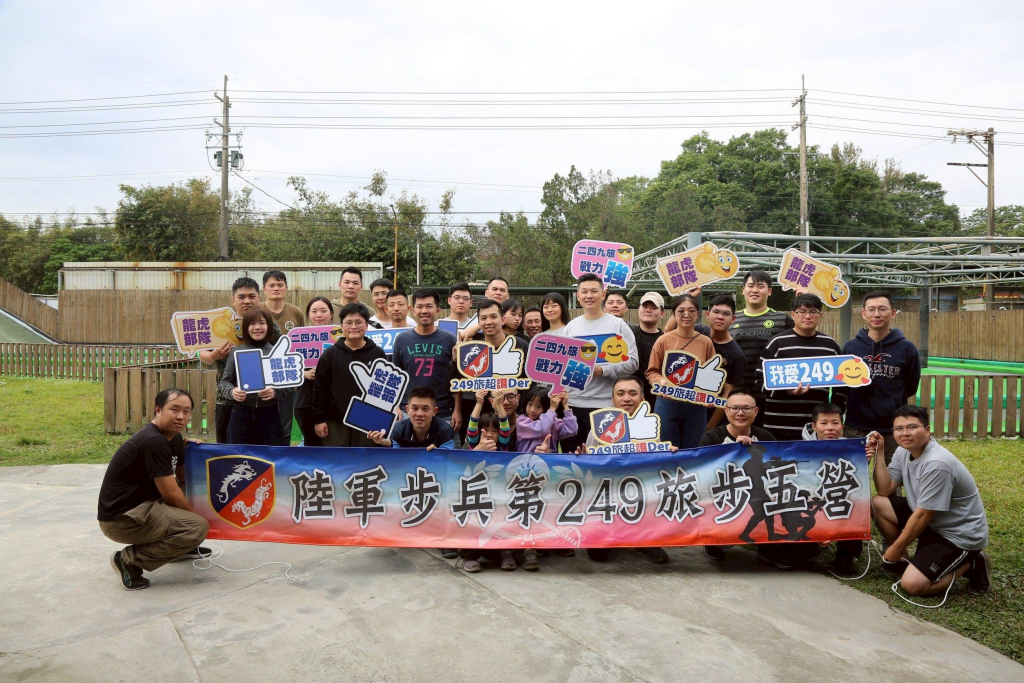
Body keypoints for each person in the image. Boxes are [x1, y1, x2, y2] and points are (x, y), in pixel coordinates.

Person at [871, 405, 991, 596]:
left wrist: (896, 547)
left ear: (927, 430)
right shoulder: (903, 451)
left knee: (913, 585)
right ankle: (903, 560)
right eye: (899, 428)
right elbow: (885, 490)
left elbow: (923, 515)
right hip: (931, 522)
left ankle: (973, 563)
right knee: (877, 503)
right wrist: (879, 452)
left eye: (912, 427)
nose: (905, 433)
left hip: (956, 534)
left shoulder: (937, 463)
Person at [98, 388, 210, 590]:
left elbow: (183, 477)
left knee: (194, 491)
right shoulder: (153, 441)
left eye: (186, 411)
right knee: (196, 527)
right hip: (122, 520)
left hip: (146, 506)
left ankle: (181, 546)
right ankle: (128, 560)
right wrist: (194, 524)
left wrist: (192, 452)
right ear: (158, 410)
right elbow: (170, 493)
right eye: (174, 409)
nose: (180, 416)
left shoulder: (174, 437)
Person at [581, 376, 671, 565]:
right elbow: (588, 465)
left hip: (641, 492)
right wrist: (582, 457)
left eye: (633, 393)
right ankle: (608, 532)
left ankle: (644, 540)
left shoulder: (651, 426)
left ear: (642, 398)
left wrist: (670, 454)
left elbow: (657, 465)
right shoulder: (600, 427)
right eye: (620, 394)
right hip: (607, 494)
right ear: (613, 399)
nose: (627, 398)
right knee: (597, 556)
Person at [560, 274, 638, 451]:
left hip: (606, 405)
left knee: (604, 458)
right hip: (574, 404)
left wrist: (602, 370)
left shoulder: (618, 325)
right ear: (578, 296)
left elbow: (633, 362)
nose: (589, 295)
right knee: (574, 457)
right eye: (584, 291)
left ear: (603, 294)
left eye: (594, 291)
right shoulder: (571, 327)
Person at [842, 290, 922, 463]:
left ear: (892, 313)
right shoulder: (850, 348)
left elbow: (911, 386)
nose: (876, 314)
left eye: (882, 309)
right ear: (863, 314)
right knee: (853, 475)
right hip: (856, 427)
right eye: (871, 309)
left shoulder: (907, 349)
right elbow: (843, 387)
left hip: (892, 429)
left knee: (892, 477)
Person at [755, 293, 847, 441]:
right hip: (778, 425)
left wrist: (835, 416)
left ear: (820, 315)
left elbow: (841, 388)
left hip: (817, 430)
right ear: (793, 314)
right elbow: (759, 380)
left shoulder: (830, 346)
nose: (808, 316)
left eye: (813, 312)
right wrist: (785, 391)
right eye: (802, 311)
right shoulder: (777, 343)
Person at [698, 388, 774, 562]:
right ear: (726, 411)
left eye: (746, 408)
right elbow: (704, 474)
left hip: (757, 493)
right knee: (724, 540)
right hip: (725, 495)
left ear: (756, 411)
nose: (740, 413)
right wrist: (733, 450)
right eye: (735, 408)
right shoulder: (711, 438)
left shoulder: (766, 437)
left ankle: (767, 547)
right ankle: (713, 542)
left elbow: (774, 471)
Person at [198, 277, 271, 444]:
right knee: (226, 445)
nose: (247, 301)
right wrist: (214, 355)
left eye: (252, 296)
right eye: (241, 297)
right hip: (226, 397)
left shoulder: (268, 325)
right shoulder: (219, 324)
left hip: (260, 401)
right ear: (233, 300)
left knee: (261, 447)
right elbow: (203, 354)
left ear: (259, 298)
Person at [451, 299, 528, 444]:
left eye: (493, 317)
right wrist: (455, 361)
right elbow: (456, 384)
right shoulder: (473, 350)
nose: (489, 322)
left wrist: (522, 415)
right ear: (479, 323)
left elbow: (529, 385)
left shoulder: (520, 346)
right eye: (484, 318)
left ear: (502, 319)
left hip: (513, 420)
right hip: (481, 418)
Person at [800, 402, 866, 573]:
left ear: (842, 426)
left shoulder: (852, 448)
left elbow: (859, 482)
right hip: (811, 500)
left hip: (838, 499)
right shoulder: (799, 449)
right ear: (814, 426)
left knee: (856, 501)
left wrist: (865, 459)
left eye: (835, 423)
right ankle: (813, 545)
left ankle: (846, 555)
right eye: (824, 423)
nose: (830, 428)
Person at [646, 293, 717, 450]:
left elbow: (711, 376)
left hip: (696, 405)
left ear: (697, 314)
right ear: (674, 314)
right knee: (667, 450)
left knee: (693, 451)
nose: (686, 314)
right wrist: (661, 382)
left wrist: (709, 393)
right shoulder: (663, 340)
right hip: (667, 402)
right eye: (681, 311)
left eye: (691, 311)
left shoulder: (706, 342)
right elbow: (652, 372)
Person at [311, 303, 387, 447]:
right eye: (349, 322)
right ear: (341, 326)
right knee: (337, 459)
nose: (353, 327)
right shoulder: (330, 354)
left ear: (366, 326)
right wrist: (319, 420)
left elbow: (384, 390)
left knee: (365, 458)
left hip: (368, 421)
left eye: (358, 322)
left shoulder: (378, 354)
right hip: (335, 421)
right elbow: (319, 389)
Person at [218, 307, 291, 445]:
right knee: (239, 455)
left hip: (270, 415)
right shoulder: (236, 352)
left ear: (269, 326)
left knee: (269, 455)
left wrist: (275, 392)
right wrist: (232, 392)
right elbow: (224, 382)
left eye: (262, 323)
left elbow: (288, 387)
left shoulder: (277, 353)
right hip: (241, 414)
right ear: (246, 327)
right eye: (252, 323)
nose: (257, 327)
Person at [731, 270, 794, 425]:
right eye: (750, 286)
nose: (755, 290)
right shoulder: (731, 319)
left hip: (771, 395)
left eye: (760, 286)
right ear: (743, 290)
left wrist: (804, 300)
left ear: (769, 291)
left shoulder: (783, 320)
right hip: (737, 397)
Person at [392, 289, 457, 424]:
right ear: (413, 310)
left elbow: (457, 378)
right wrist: (395, 405)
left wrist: (457, 410)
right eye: (419, 306)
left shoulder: (449, 339)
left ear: (438, 311)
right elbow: (395, 377)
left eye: (429, 306)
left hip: (443, 411)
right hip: (408, 411)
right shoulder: (401, 340)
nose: (424, 311)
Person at [261, 269, 305, 446]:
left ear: (286, 287)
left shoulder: (296, 312)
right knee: (264, 423)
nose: (276, 288)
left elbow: (302, 343)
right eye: (271, 285)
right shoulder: (257, 311)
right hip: (263, 376)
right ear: (264, 289)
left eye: (280, 285)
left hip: (288, 376)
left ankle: (284, 454)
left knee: (286, 424)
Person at [694, 294, 746, 430]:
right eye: (716, 312)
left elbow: (726, 395)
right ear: (707, 314)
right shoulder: (697, 332)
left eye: (726, 314)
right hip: (683, 406)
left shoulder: (737, 355)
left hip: (710, 416)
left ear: (733, 319)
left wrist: (710, 426)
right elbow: (670, 330)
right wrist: (688, 296)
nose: (720, 317)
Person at [295, 296, 334, 447]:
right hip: (306, 401)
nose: (319, 315)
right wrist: (305, 374)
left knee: (333, 445)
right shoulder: (298, 337)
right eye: (314, 311)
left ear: (331, 313)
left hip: (332, 403)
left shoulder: (340, 337)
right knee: (311, 446)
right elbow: (286, 369)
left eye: (323, 311)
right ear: (308, 314)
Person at [366, 387, 456, 449]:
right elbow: (394, 461)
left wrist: (438, 455)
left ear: (434, 411)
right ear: (407, 409)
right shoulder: (398, 429)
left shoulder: (445, 430)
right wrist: (388, 444)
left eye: (425, 409)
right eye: (415, 408)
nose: (419, 414)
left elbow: (448, 461)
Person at [516, 385, 577, 453]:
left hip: (547, 459)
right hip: (525, 459)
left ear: (546, 408)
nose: (532, 410)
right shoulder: (522, 421)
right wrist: (552, 408)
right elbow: (541, 428)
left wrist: (565, 405)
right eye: (530, 404)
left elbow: (571, 430)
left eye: (539, 406)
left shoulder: (552, 422)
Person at [629, 291, 665, 407]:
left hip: (657, 398)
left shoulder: (666, 340)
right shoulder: (627, 334)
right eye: (645, 306)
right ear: (638, 310)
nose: (648, 310)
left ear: (662, 313)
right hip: (629, 398)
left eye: (654, 308)